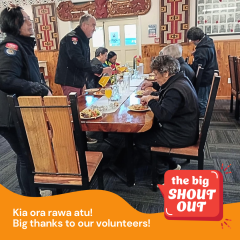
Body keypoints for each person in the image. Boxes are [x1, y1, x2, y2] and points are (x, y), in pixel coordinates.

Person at [0, 5, 52, 196]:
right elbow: (5, 79)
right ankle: (31, 199)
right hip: (10, 116)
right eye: (27, 19)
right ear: (15, 23)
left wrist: (44, 88)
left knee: (26, 157)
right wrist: (39, 89)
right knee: (26, 157)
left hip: (19, 112)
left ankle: (30, 193)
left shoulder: (22, 44)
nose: (31, 22)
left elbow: (29, 77)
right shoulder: (10, 47)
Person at [136, 55, 199, 176]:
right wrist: (155, 96)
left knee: (140, 140)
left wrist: (151, 100)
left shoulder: (174, 89)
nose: (155, 78)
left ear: (165, 73)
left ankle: (163, 173)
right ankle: (172, 165)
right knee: (149, 130)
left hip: (180, 135)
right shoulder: (180, 80)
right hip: (185, 128)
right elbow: (171, 101)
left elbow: (163, 115)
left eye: (155, 74)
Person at [55, 13, 104, 144]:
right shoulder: (73, 39)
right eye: (93, 25)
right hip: (70, 80)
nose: (95, 28)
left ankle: (81, 137)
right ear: (84, 25)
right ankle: (75, 142)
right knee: (74, 111)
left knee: (81, 109)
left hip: (79, 80)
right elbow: (79, 61)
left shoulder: (82, 39)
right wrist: (99, 69)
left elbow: (83, 63)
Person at [187, 27, 218, 118]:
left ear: (197, 39)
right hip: (210, 72)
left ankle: (202, 114)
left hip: (205, 76)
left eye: (192, 40)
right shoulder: (208, 42)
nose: (192, 42)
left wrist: (189, 66)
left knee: (202, 98)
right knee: (204, 96)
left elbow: (198, 66)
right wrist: (196, 53)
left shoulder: (202, 49)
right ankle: (202, 111)